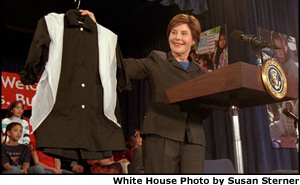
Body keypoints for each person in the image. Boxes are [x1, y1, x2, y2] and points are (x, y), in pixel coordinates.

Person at [84, 11, 212, 173]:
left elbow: (206, 111)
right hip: (161, 136)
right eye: (174, 32)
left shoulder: (202, 73)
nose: (177, 37)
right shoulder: (157, 60)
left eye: (184, 33)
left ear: (193, 40)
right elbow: (121, 66)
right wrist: (98, 34)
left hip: (194, 139)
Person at [19, 9, 131, 161]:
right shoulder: (52, 24)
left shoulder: (108, 37)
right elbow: (37, 48)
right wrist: (29, 73)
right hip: (60, 110)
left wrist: (29, 75)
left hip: (95, 116)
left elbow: (119, 69)